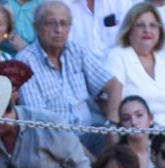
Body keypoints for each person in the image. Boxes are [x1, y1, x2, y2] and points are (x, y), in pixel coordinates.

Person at [17, 0, 123, 128]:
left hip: (89, 131)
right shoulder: (25, 62)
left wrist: (112, 124)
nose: (58, 30)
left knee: (127, 140)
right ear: (36, 27)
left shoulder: (76, 51)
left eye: (63, 24)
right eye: (51, 24)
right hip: (53, 138)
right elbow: (39, 120)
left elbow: (114, 85)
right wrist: (79, 148)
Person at [109, 2, 165, 127]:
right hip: (134, 136)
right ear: (129, 29)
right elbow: (113, 108)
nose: (147, 30)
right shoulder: (118, 56)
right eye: (140, 25)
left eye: (153, 25)